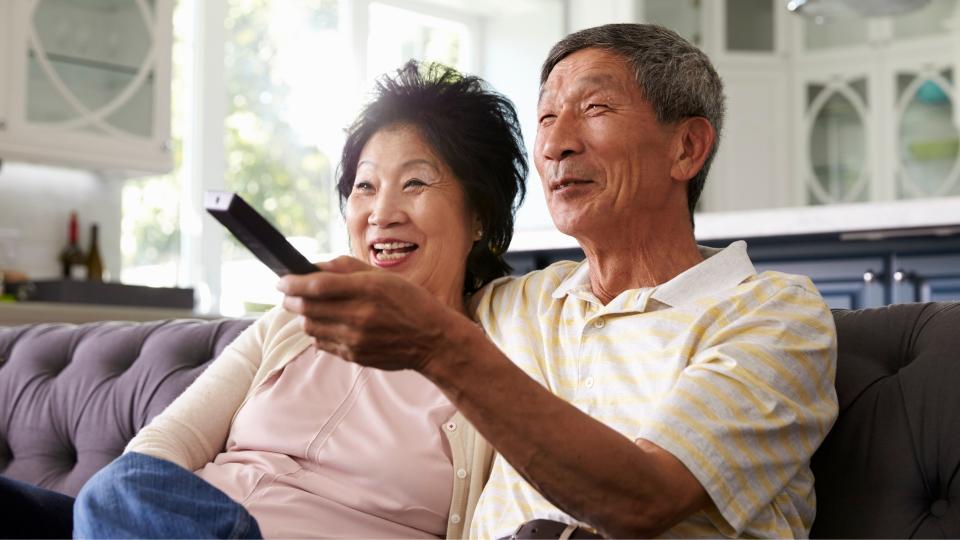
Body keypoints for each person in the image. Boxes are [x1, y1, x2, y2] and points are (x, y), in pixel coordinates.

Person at [279, 23, 839, 539]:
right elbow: (408, 279)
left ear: (686, 147)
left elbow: (643, 500)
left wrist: (442, 347)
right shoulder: (514, 303)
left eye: (594, 108)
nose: (554, 145)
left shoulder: (773, 316)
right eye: (546, 118)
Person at [0, 60, 526, 539]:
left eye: (415, 183)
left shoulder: (492, 360)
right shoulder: (292, 323)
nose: (381, 212)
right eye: (364, 188)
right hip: (167, 527)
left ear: (479, 216)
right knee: (116, 488)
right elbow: (161, 449)